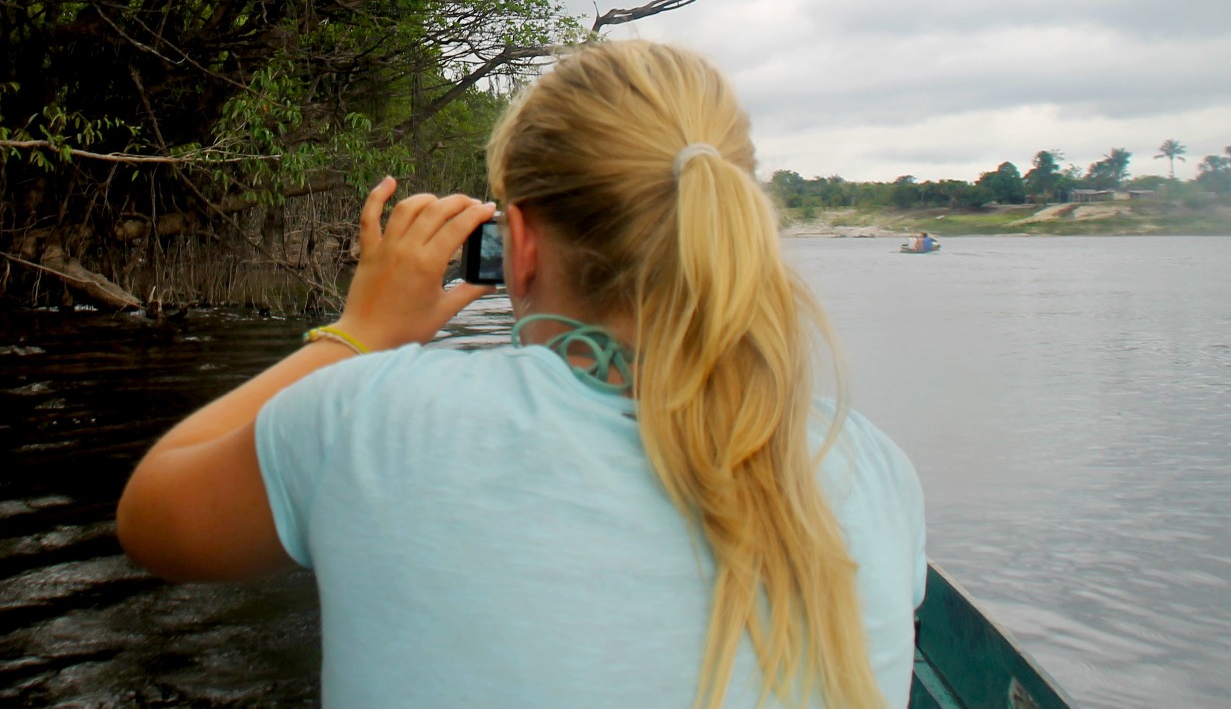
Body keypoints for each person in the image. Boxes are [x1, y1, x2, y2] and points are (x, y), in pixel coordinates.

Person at [117, 42, 926, 708]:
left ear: (524, 243)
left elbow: (154, 517)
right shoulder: (875, 467)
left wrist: (357, 333)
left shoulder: (376, 416)